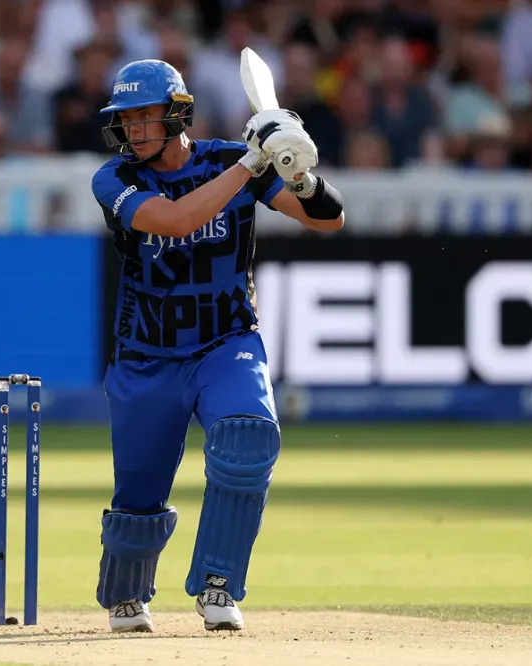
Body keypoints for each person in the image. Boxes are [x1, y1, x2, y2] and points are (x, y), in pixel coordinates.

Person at [90, 58, 345, 633]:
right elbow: (178, 221)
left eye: (144, 117)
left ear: (177, 113)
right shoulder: (115, 179)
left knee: (248, 438)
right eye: (125, 120)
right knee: (139, 494)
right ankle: (127, 593)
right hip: (146, 357)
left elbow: (329, 219)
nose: (133, 130)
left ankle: (219, 584)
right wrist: (253, 162)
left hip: (225, 341)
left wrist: (299, 173)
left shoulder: (230, 159)